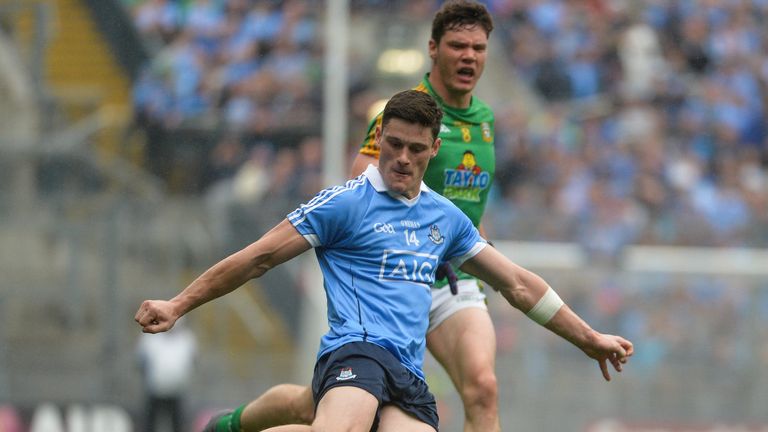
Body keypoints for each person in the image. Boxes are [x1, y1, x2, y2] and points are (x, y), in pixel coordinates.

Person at [136, 90, 633, 432]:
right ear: (380, 143)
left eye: (416, 149)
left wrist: (589, 338)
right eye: (393, 145)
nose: (402, 158)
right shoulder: (345, 204)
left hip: (408, 374)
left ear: (434, 150)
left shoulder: (446, 218)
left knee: (309, 408)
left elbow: (518, 284)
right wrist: (178, 304)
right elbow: (259, 257)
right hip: (356, 353)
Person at [217, 1, 507, 430]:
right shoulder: (409, 113)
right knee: (313, 406)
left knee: (482, 386)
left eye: (478, 47)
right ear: (433, 48)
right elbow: (362, 182)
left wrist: (480, 247)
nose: (468, 56)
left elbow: (468, 204)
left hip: (451, 277)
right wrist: (410, 230)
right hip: (391, 272)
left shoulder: (485, 120)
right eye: (458, 45)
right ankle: (235, 424)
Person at [136, 318, 198, 432]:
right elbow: (142, 362)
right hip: (154, 389)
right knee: (150, 423)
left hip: (178, 390)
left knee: (178, 423)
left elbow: (192, 361)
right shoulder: (150, 337)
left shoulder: (187, 338)